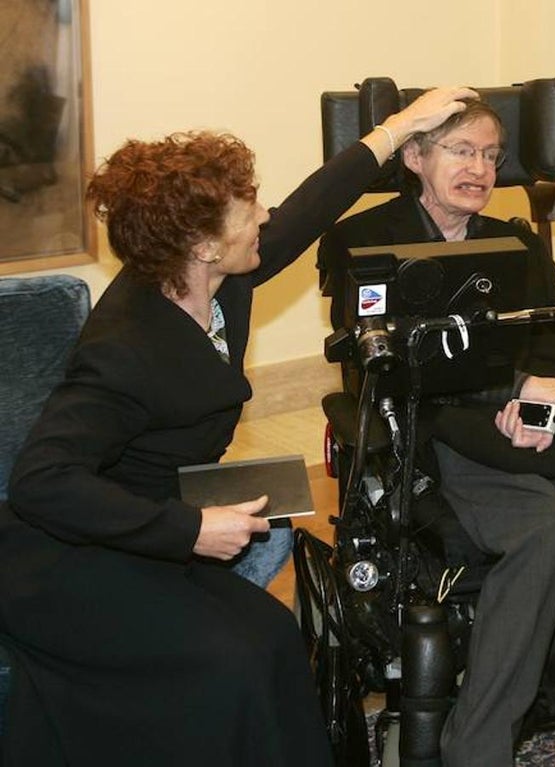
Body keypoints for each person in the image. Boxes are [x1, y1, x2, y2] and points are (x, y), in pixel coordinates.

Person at [0, 85, 477, 767]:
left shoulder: (221, 279)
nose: (264, 216)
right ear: (201, 243)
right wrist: (189, 528)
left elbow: (310, 207)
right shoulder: (124, 348)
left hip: (140, 531)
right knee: (230, 660)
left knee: (275, 635)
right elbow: (40, 481)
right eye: (247, 208)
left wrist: (399, 128)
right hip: (69, 558)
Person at [319, 99, 555, 767]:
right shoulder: (366, 244)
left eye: (489, 155)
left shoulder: (516, 244)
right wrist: (511, 387)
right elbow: (386, 363)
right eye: (460, 151)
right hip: (435, 432)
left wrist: (536, 404)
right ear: (415, 157)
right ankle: (476, 748)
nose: (478, 169)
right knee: (545, 525)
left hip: (523, 431)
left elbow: (553, 341)